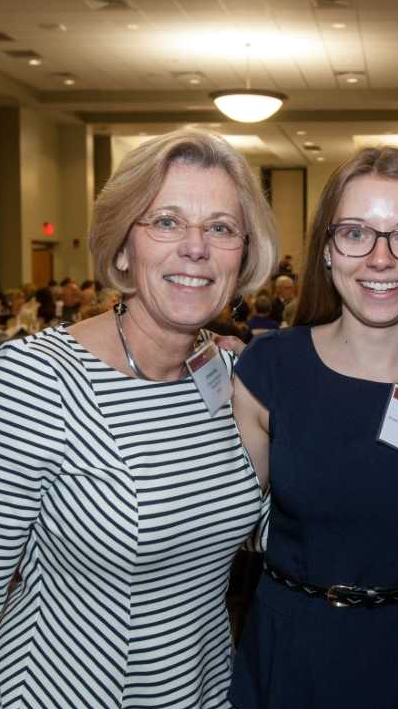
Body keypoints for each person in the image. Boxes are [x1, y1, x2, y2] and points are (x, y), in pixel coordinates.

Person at [0, 128, 277, 709]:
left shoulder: (232, 379)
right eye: (167, 221)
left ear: (243, 254)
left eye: (221, 228)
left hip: (203, 691)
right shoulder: (35, 381)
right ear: (123, 248)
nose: (196, 247)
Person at [229, 146, 398, 709]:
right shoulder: (268, 371)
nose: (381, 259)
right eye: (356, 233)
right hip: (292, 650)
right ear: (327, 251)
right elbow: (221, 536)